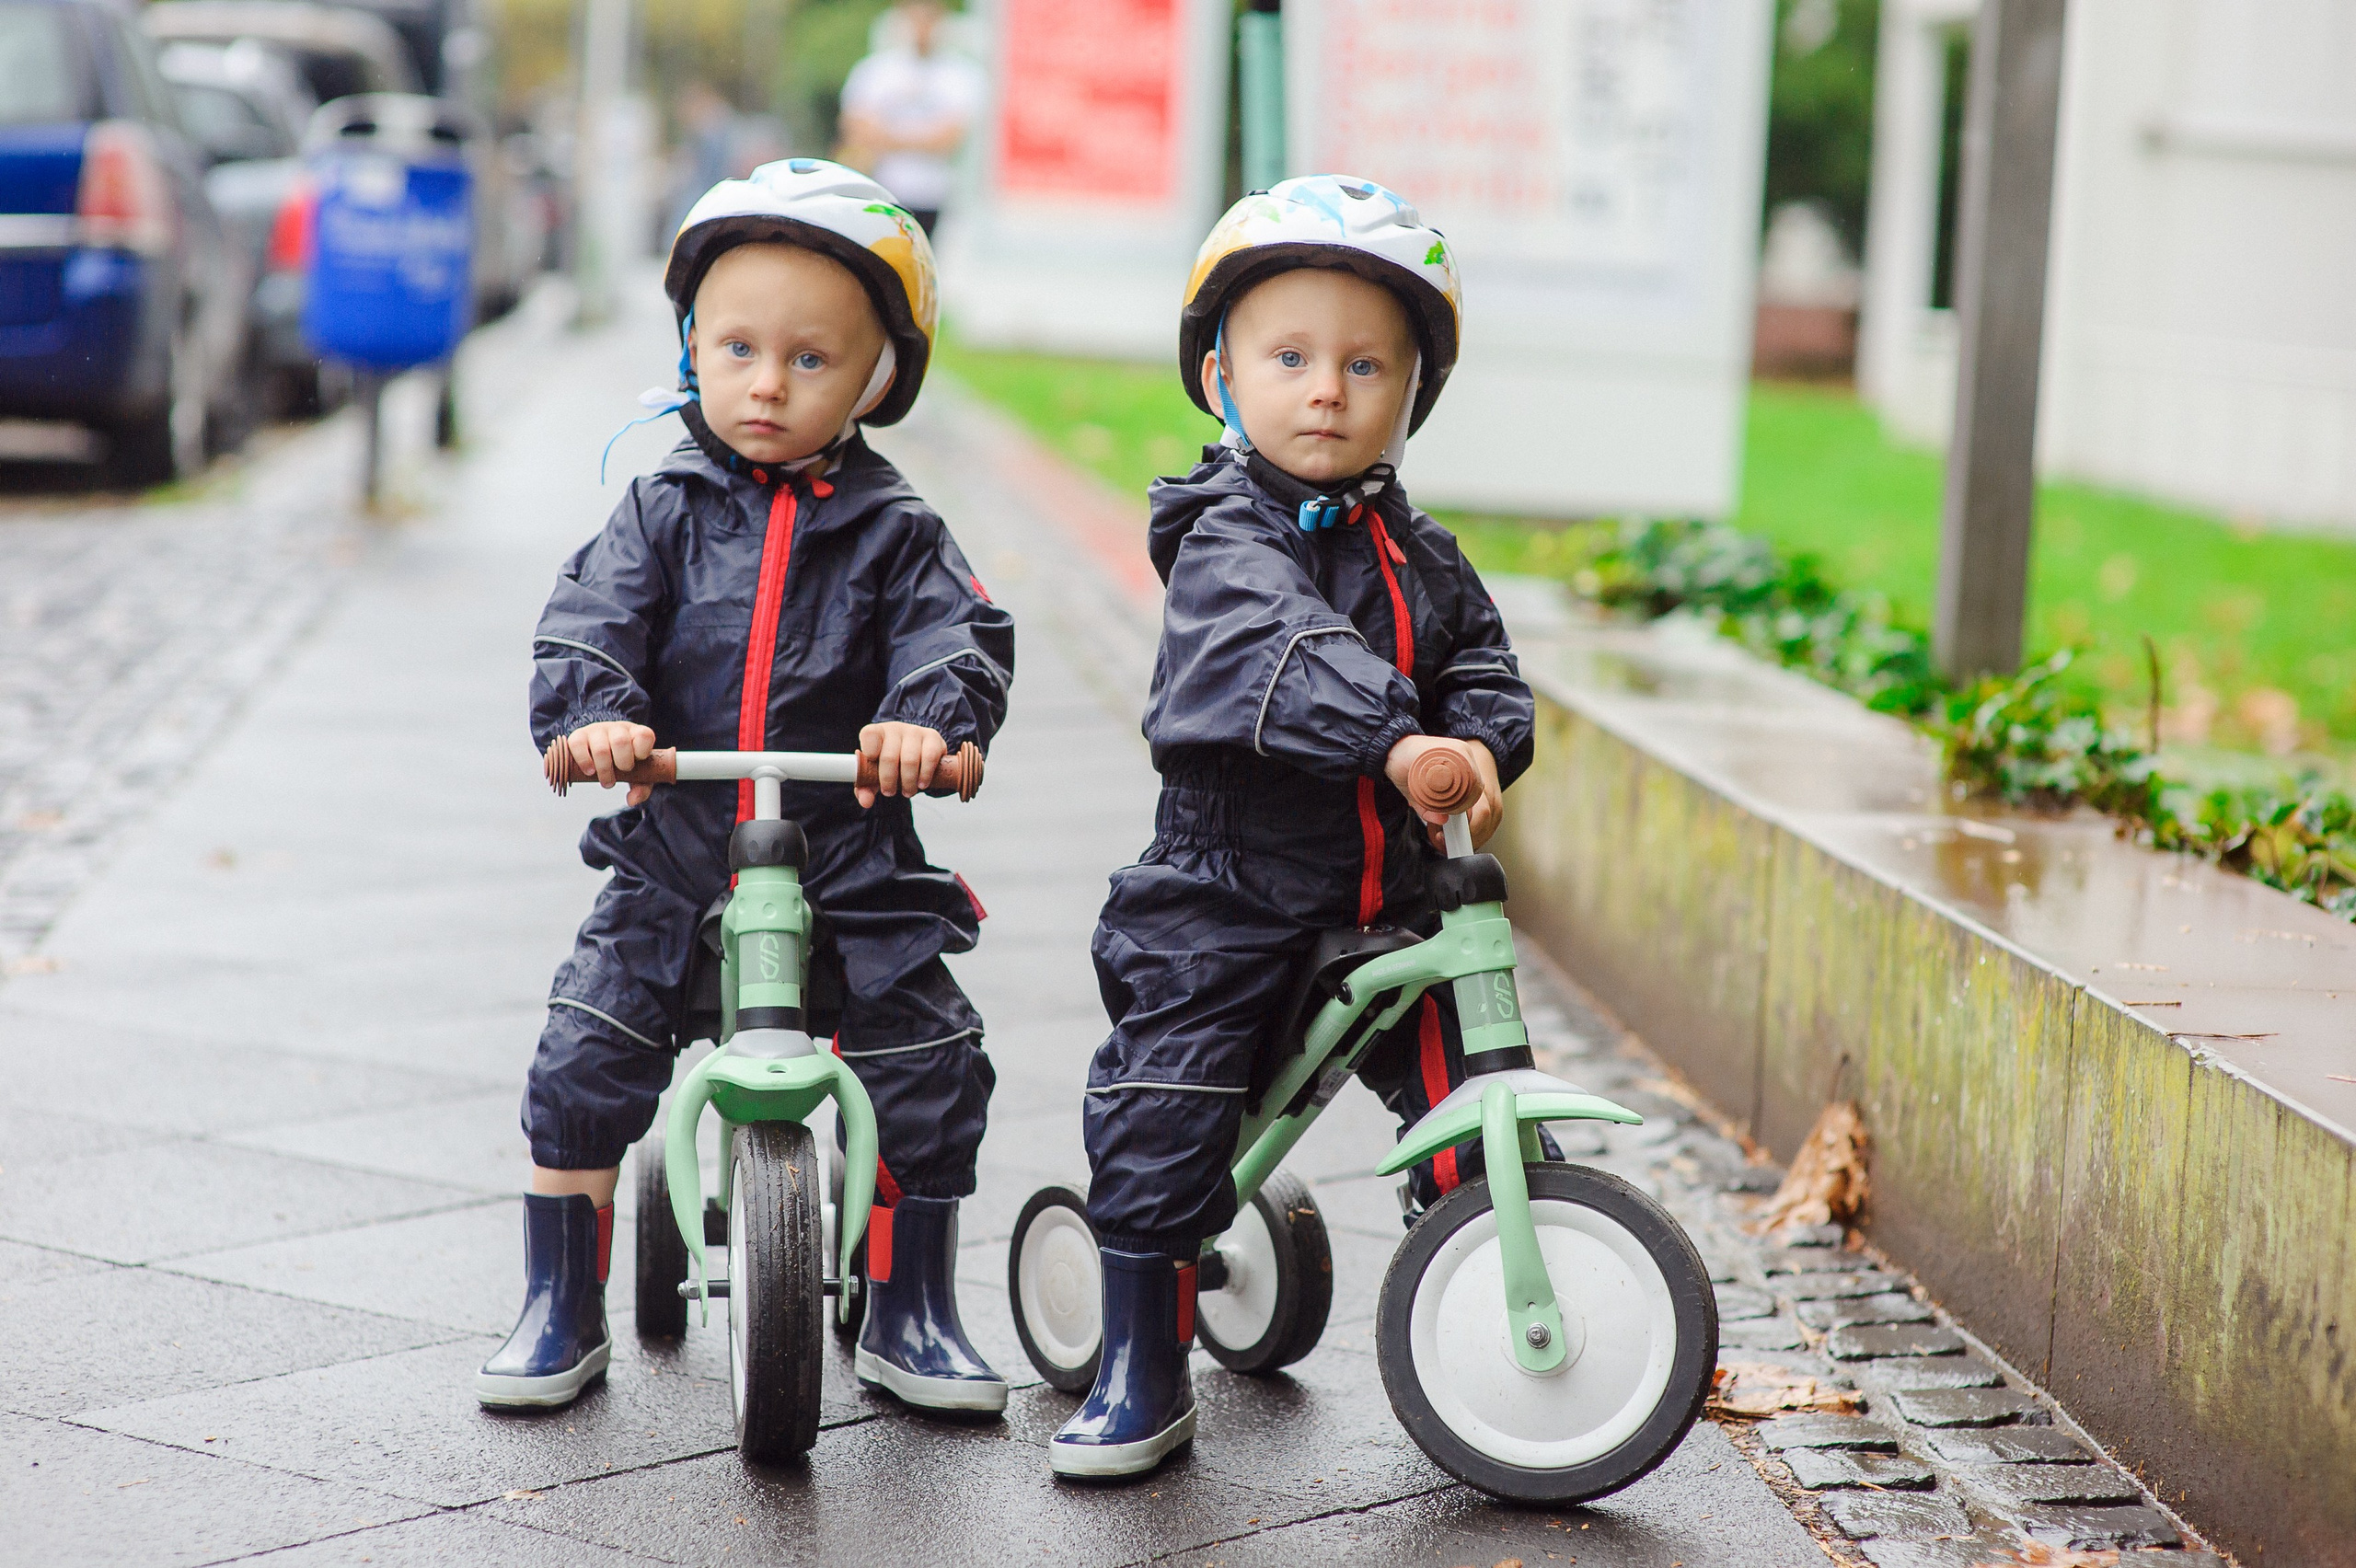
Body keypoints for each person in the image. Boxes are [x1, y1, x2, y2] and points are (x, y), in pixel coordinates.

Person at [477, 158, 1016, 1419]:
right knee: (587, 1053)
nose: (767, 383)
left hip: (850, 853)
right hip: (676, 849)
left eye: (811, 360)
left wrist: (926, 724)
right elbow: (590, 622)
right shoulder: (659, 506)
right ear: (689, 347)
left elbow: (958, 637)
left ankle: (915, 1303)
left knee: (929, 1061)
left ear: (879, 377)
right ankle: (560, 1302)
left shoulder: (898, 529)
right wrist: (597, 717)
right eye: (737, 348)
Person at [1048, 176, 1539, 1480]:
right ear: (1220, 378)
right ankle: (1139, 1368)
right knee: (1172, 1098)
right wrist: (1397, 739)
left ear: (1410, 395)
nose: (1326, 389)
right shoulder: (1220, 537)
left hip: (1391, 897)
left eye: (1366, 364)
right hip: (1228, 888)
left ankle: (1504, 1302)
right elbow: (1279, 646)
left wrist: (1481, 736)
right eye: (1290, 357)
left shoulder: (1419, 555)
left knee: (1482, 1077)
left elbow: (1482, 664)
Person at [836, 2, 984, 235]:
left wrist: (887, 137)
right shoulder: (874, 70)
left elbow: (948, 140)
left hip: (936, 197)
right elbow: (856, 130)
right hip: (880, 191)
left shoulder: (960, 75)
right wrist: (923, 137)